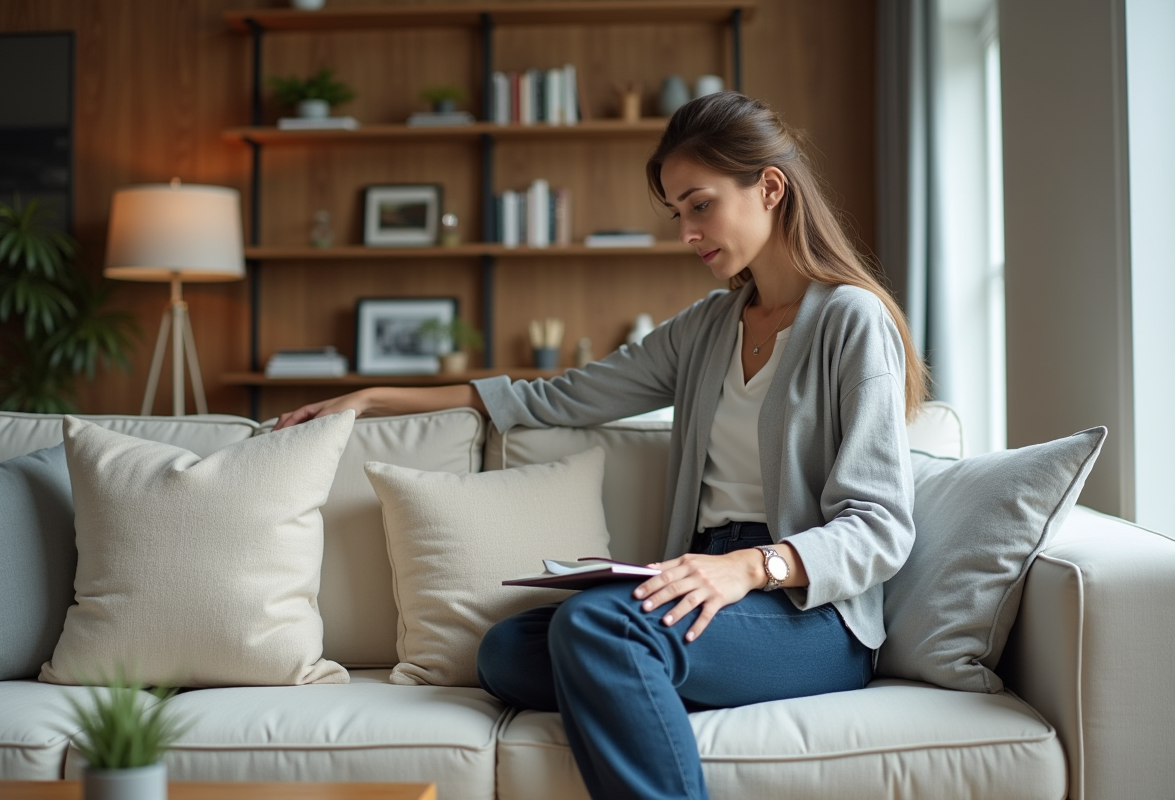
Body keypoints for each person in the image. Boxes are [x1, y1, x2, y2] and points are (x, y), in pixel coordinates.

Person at [275, 91, 927, 800]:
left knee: (599, 631)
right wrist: (373, 398)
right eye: (677, 212)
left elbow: (881, 526)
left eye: (699, 204)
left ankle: (644, 670)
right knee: (504, 652)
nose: (686, 231)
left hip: (807, 612)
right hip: (698, 586)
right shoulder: (709, 326)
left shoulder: (851, 321)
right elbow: (552, 397)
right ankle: (650, 672)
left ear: (769, 188)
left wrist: (748, 568)